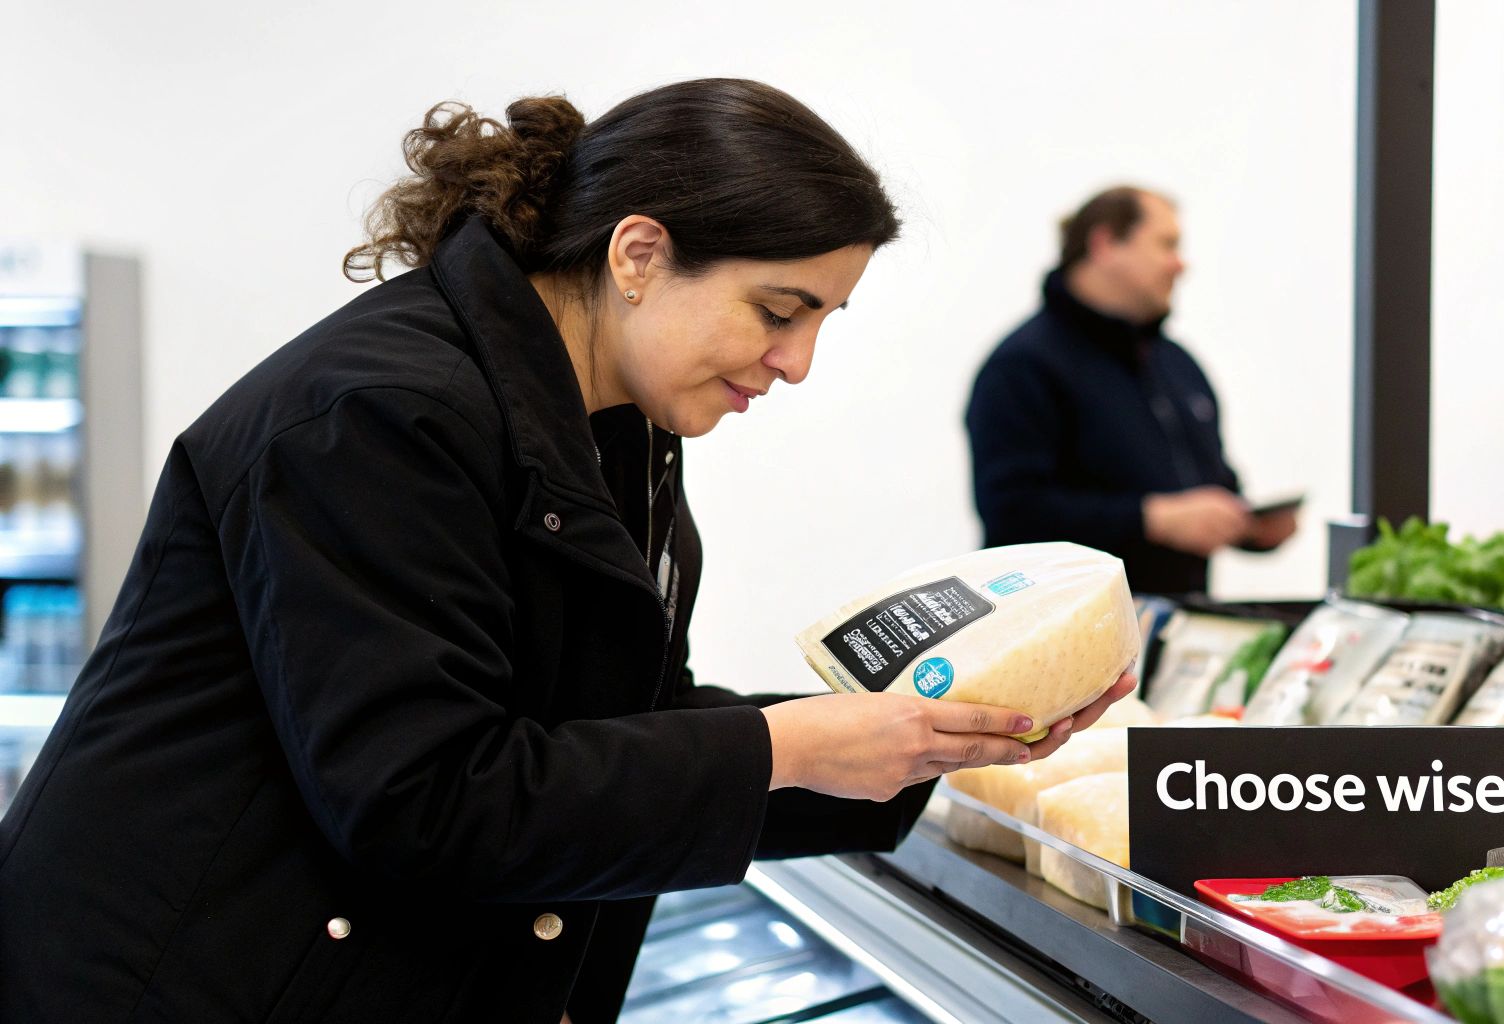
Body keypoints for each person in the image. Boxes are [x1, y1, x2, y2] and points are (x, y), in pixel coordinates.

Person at [0, 80, 1133, 1023]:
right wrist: (777, 746)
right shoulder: (377, 414)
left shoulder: (611, 425)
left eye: (821, 323)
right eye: (776, 310)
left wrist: (907, 745)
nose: (795, 364)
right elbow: (425, 800)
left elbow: (595, 735)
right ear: (638, 251)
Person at [965, 186, 1298, 595]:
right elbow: (1012, 512)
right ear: (1105, 244)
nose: (1181, 265)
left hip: (1173, 634)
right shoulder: (1021, 367)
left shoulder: (1177, 364)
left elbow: (1213, 484)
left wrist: (1249, 526)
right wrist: (1153, 519)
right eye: (1167, 244)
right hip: (1067, 643)